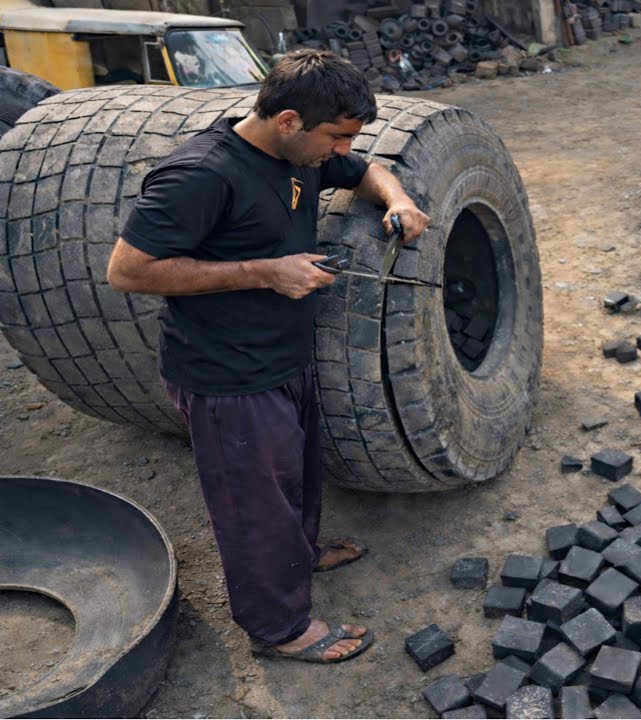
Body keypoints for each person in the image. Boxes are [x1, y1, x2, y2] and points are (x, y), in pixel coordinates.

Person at [106, 49, 430, 663]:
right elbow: (127, 271)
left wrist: (397, 200)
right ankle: (278, 629)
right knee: (251, 506)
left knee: (293, 479)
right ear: (287, 120)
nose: (342, 150)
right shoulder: (201, 174)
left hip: (282, 357)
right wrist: (264, 271)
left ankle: (300, 556)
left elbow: (367, 171)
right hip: (226, 375)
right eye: (336, 137)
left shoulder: (303, 153)